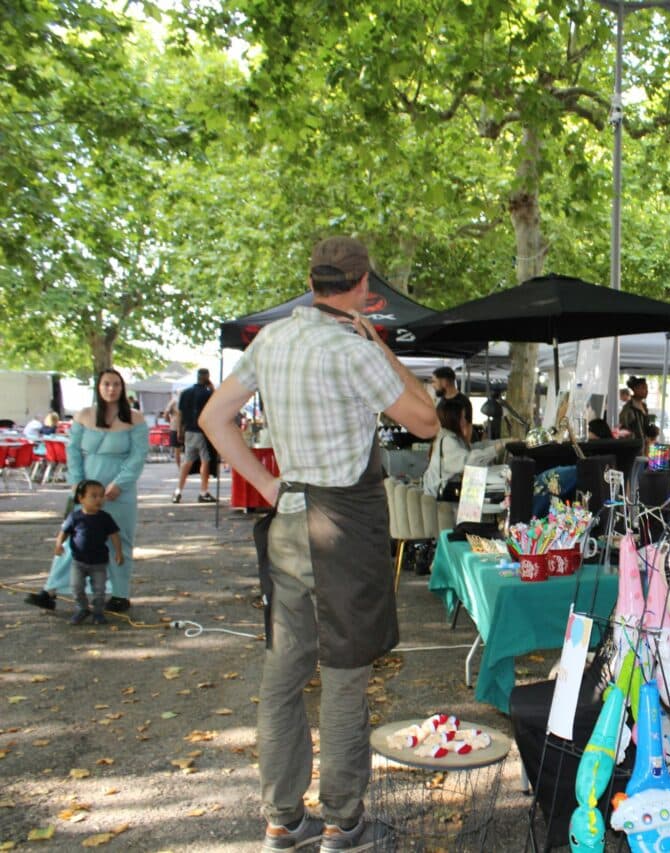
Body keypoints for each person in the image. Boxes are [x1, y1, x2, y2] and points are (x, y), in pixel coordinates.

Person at [199, 236, 439, 852]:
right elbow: (427, 420)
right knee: (344, 674)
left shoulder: (270, 340)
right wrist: (383, 348)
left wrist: (266, 484)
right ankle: (343, 822)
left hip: (290, 513)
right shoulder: (352, 348)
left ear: (310, 281)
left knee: (283, 674)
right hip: (345, 522)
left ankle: (282, 819)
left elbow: (213, 418)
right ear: (363, 287)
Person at [24, 369, 148, 614]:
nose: (111, 389)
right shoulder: (84, 415)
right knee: (74, 539)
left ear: (122, 388)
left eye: (116, 384)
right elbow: (72, 451)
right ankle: (50, 591)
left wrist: (120, 484)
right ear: (98, 388)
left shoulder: (135, 419)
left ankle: (120, 595)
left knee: (119, 540)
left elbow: (138, 455)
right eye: (106, 384)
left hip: (119, 490)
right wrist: (77, 483)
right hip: (86, 487)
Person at [424, 396, 511, 529]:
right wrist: (497, 448)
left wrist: (501, 443)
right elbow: (469, 461)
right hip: (445, 507)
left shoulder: (449, 438)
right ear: (454, 418)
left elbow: (475, 447)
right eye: (463, 417)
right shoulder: (448, 441)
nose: (465, 421)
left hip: (446, 503)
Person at [55, 479, 122, 626]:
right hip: (78, 562)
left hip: (99, 562)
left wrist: (119, 552)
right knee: (76, 587)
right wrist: (59, 544)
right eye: (94, 496)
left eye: (101, 496)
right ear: (81, 498)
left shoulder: (105, 518)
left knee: (99, 589)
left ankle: (98, 612)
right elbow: (64, 532)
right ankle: (82, 608)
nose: (99, 499)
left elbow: (114, 535)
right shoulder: (74, 517)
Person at [173, 368, 216, 503]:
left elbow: (179, 413)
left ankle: (178, 491)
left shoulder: (185, 393)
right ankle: (203, 491)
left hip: (188, 431)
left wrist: (179, 430)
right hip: (202, 431)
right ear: (207, 377)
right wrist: (212, 388)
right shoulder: (207, 394)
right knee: (205, 461)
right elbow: (215, 406)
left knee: (187, 461)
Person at [618, 376, 654, 449]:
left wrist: (651, 431)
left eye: (646, 388)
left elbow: (644, 427)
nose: (646, 391)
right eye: (643, 388)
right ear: (635, 389)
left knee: (660, 457)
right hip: (634, 450)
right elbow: (622, 429)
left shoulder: (644, 406)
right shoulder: (629, 408)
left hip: (644, 447)